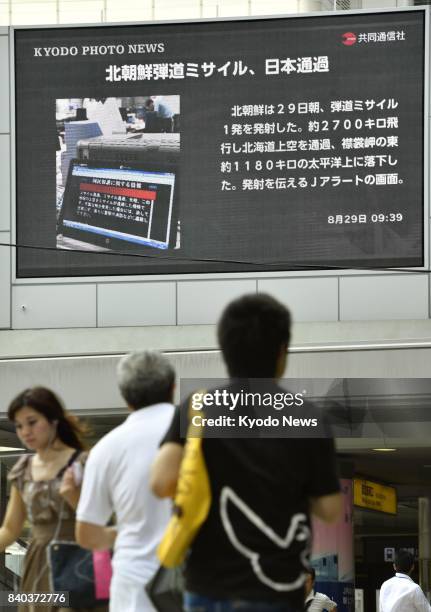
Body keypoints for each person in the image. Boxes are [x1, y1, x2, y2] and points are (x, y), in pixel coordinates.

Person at [151, 293, 342, 612]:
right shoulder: (307, 416)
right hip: (278, 590)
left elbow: (160, 481)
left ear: (224, 350)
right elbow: (330, 509)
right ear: (282, 352)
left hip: (208, 586)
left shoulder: (198, 408)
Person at [75, 350, 176, 612]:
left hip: (134, 585)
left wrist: (130, 528)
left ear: (124, 396)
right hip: (198, 578)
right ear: (173, 387)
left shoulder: (107, 448)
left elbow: (87, 534)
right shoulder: (205, 433)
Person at [0, 386, 100, 612]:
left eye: (32, 422)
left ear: (54, 420)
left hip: (78, 560)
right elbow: (10, 529)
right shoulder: (22, 469)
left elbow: (103, 520)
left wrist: (73, 497)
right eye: (19, 425)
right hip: (38, 566)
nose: (25, 431)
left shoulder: (83, 462)